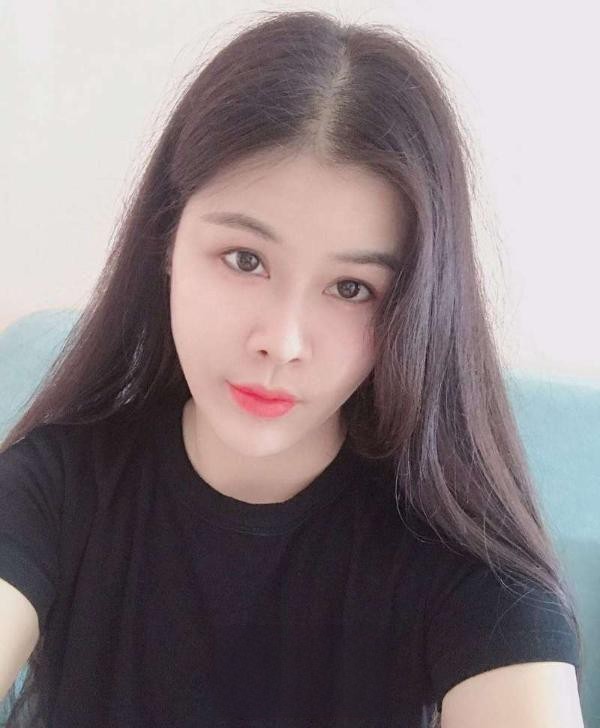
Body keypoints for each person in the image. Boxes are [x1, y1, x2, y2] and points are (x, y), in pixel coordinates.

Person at [0, 10, 586, 728]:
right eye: (245, 259)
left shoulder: (462, 572)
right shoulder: (53, 492)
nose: (281, 342)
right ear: (166, 241)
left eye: (351, 288)